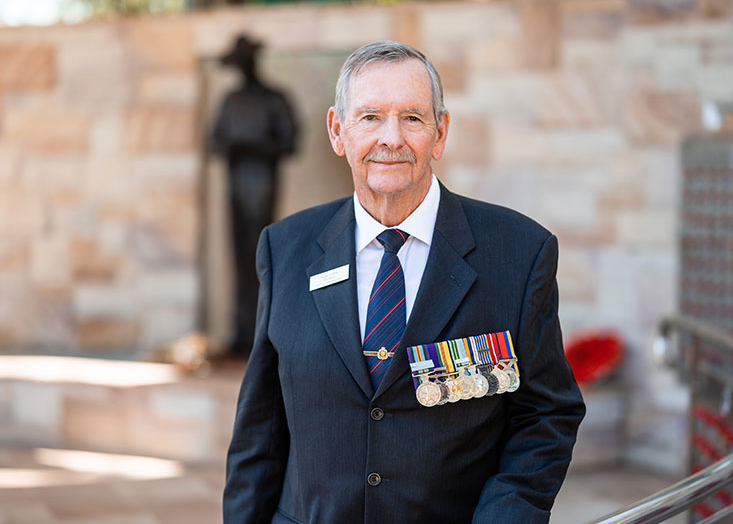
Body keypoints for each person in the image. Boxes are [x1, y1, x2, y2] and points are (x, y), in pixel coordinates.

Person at [224, 41, 585, 523]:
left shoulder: (519, 253)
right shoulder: (284, 248)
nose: (390, 137)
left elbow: (545, 417)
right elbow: (260, 429)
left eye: (412, 118)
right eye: (370, 117)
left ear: (440, 133)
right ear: (338, 131)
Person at [211, 34, 298, 359]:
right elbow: (216, 140)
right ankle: (241, 332)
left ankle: (263, 334)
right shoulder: (230, 100)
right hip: (236, 184)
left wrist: (251, 145)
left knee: (261, 255)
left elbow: (290, 142)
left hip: (262, 183)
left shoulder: (274, 99)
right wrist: (236, 147)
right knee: (238, 257)